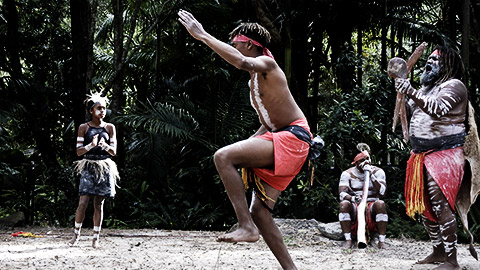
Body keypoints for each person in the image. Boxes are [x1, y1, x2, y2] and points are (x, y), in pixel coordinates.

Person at [178, 10, 320, 270]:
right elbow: (267, 124)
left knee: (223, 156)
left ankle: (245, 226)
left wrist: (202, 36)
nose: (233, 46)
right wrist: (247, 145)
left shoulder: (267, 64)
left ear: (250, 44)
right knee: (260, 212)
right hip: (284, 138)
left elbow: (242, 63)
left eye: (236, 43)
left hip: (294, 138)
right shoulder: (255, 80)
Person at [395, 45, 468, 270]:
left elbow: (437, 109)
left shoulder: (455, 86)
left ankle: (452, 260)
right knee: (425, 204)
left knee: (440, 203)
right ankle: (438, 251)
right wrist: (400, 90)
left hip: (446, 154)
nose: (429, 62)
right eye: (429, 58)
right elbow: (409, 109)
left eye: (436, 60)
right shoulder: (426, 90)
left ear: (448, 65)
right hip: (420, 155)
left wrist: (410, 90)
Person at [69, 93, 120, 248]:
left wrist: (104, 146)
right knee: (83, 202)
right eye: (99, 108)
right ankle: (76, 235)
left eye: (104, 108)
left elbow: (114, 152)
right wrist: (91, 146)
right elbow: (78, 152)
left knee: (99, 204)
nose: (102, 111)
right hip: (88, 166)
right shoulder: (83, 128)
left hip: (104, 166)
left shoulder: (110, 128)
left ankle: (95, 238)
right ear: (91, 111)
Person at [338, 145, 388, 249]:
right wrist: (352, 199)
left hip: (372, 206)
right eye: (362, 160)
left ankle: (381, 241)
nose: (366, 162)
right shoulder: (347, 173)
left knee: (381, 204)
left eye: (367, 159)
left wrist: (371, 176)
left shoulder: (378, 172)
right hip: (355, 206)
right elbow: (342, 194)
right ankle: (348, 240)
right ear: (355, 162)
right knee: (344, 205)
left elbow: (382, 193)